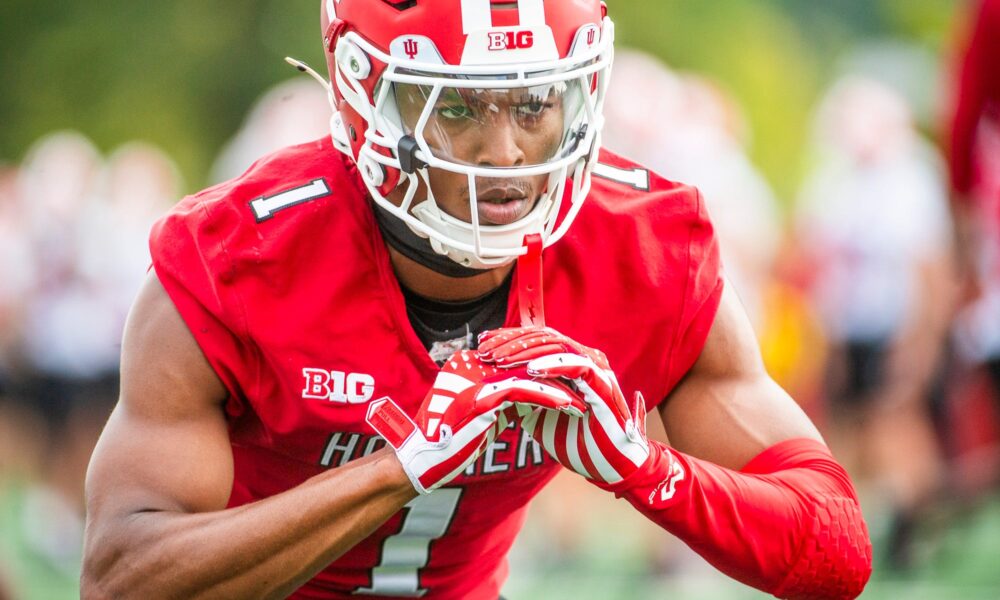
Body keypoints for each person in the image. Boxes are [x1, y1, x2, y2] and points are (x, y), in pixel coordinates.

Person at [81, 1, 873, 598]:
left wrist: (645, 468)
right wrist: (399, 468)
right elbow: (120, 578)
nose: (504, 156)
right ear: (368, 101)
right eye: (456, 108)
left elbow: (837, 548)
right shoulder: (233, 260)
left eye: (533, 105)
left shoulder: (642, 249)